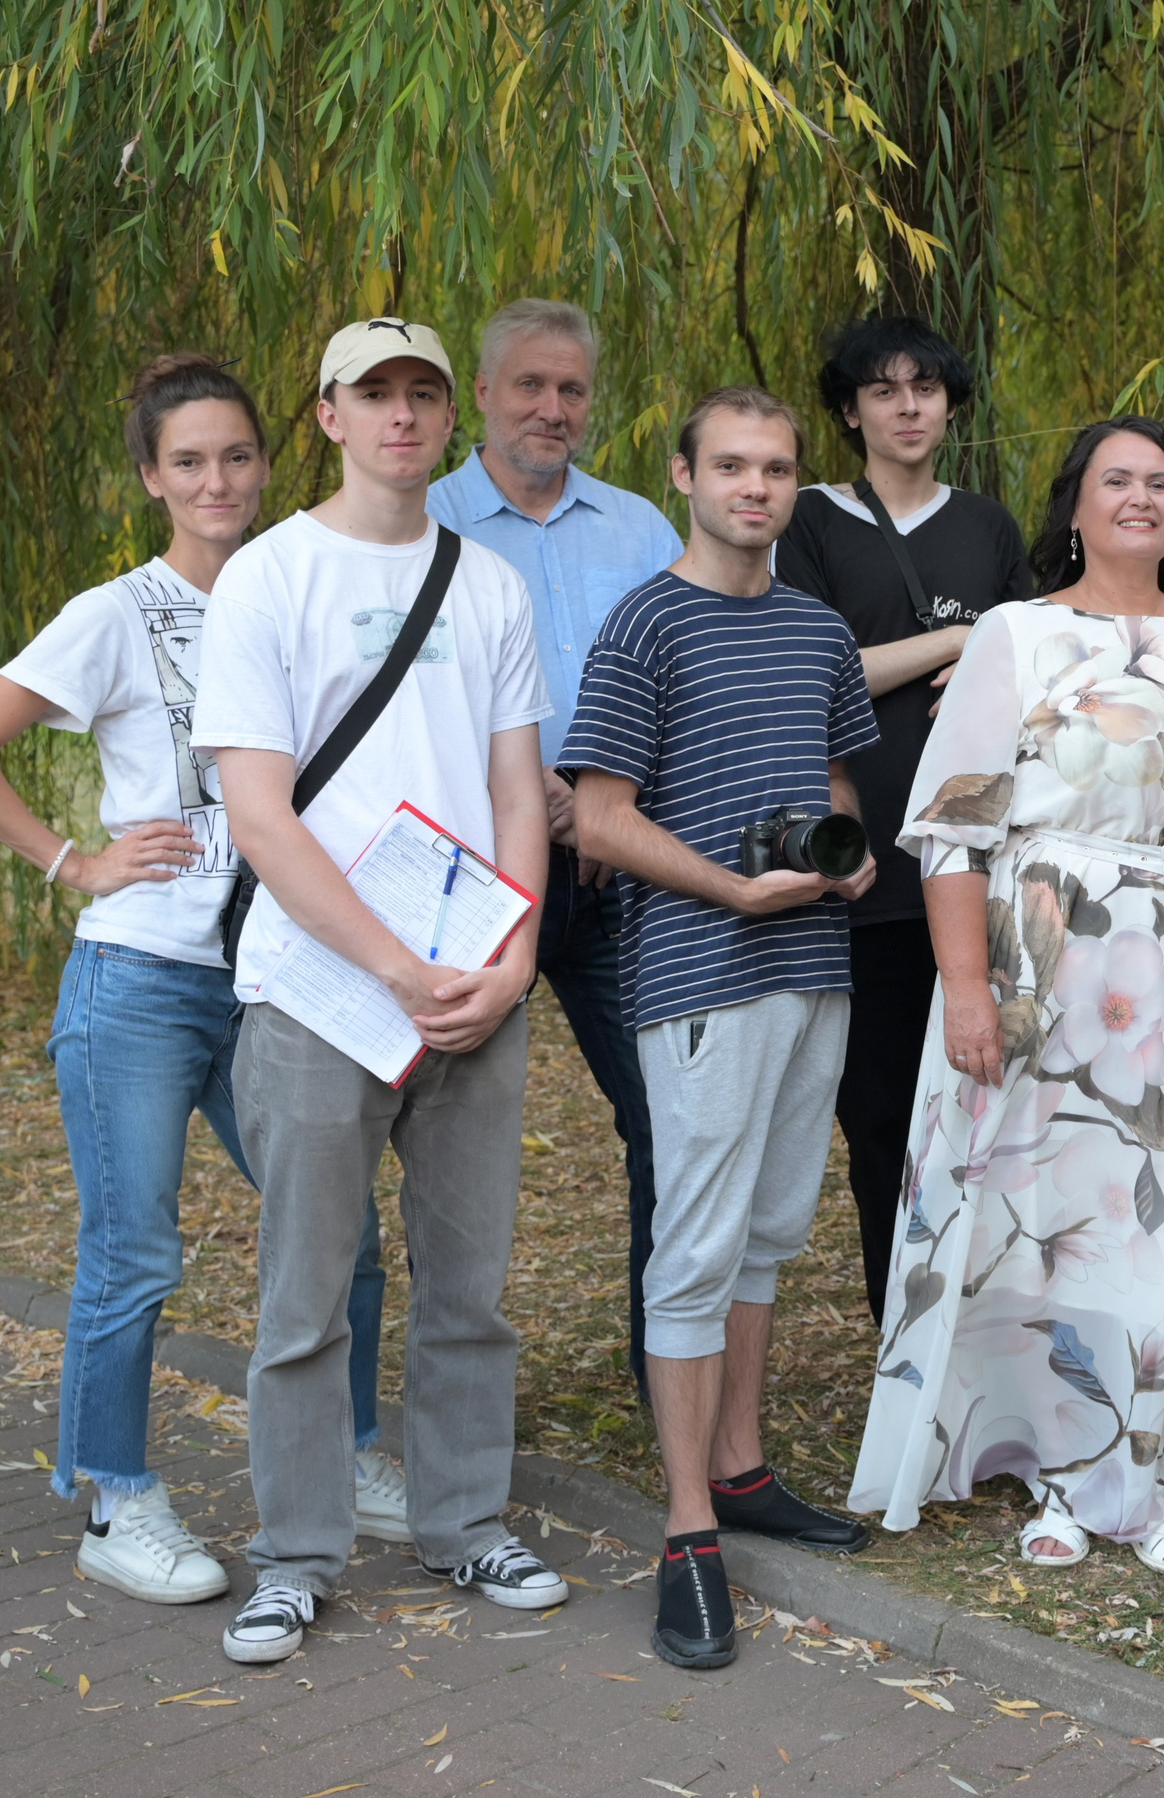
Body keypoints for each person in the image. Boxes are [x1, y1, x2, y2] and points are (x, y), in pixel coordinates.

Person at [0, 355, 401, 1599]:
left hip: (279, 979)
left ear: (269, 462)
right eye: (188, 460)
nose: (217, 479)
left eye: (236, 455)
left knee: (344, 1231)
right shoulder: (116, 613)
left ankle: (347, 1451)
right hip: (141, 979)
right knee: (135, 1253)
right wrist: (73, 858)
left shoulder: (304, 593)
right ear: (150, 477)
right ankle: (115, 1497)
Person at [195, 317, 567, 1663]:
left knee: (471, 1286)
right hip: (320, 989)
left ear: (447, 418)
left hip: (474, 981)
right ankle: (294, 1556)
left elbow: (522, 784)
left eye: (425, 395)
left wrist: (511, 954)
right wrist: (395, 965)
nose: (402, 416)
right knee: (307, 1293)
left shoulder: (489, 586)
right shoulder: (269, 580)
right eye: (375, 394)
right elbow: (262, 816)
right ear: (329, 415)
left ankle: (465, 1521)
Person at [846, 415, 1164, 1577]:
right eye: (1115, 480)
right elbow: (948, 828)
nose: (1141, 497)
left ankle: (1163, 1458)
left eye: (1160, 482)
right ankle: (1055, 1461)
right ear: (1073, 506)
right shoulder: (1017, 633)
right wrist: (968, 990)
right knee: (1056, 1219)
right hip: (1054, 967)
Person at [562, 387, 881, 1672]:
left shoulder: (814, 628)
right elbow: (597, 817)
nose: (757, 487)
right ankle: (687, 1527)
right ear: (684, 474)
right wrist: (730, 883)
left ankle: (742, 1468)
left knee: (764, 1234)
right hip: (701, 971)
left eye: (778, 468)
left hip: (815, 965)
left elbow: (839, 780)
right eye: (733, 466)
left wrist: (844, 860)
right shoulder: (644, 621)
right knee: (693, 1246)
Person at [428, 298, 683, 1388]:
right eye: (528, 385)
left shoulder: (639, 530)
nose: (552, 407)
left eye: (571, 388)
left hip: (618, 871)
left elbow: (691, 677)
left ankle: (663, 1371)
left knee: (664, 1119)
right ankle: (446, 1396)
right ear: (481, 394)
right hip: (472, 874)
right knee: (446, 1145)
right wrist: (532, 793)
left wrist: (607, 803)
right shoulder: (417, 520)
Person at [774, 315, 1034, 1325]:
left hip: (981, 864)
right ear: (849, 410)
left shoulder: (987, 525)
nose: (908, 405)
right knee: (881, 1118)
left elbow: (1030, 673)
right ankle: (903, 1332)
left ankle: (993, 1326)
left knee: (992, 1107)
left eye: (925, 386)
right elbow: (815, 667)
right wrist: (959, 640)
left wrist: (988, 656)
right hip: (869, 867)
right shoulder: (808, 520)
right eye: (882, 390)